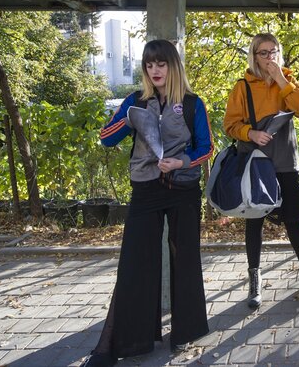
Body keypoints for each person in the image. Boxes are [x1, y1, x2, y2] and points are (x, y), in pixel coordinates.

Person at [85, 40, 212, 367]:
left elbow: (206, 148)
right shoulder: (135, 101)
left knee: (183, 257)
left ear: (173, 66)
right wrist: (129, 118)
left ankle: (185, 332)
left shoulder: (193, 103)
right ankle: (122, 341)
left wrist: (181, 163)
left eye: (161, 64)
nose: (155, 70)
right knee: (134, 262)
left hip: (183, 188)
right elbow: (106, 137)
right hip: (145, 188)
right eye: (149, 65)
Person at [222, 33, 299, 309]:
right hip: (256, 161)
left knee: (293, 220)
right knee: (255, 220)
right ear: (254, 55)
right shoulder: (243, 86)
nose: (269, 57)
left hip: (285, 160)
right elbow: (230, 124)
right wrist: (250, 133)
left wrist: (283, 81)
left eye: (273, 52)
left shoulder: (288, 80)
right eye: (263, 53)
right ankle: (255, 281)